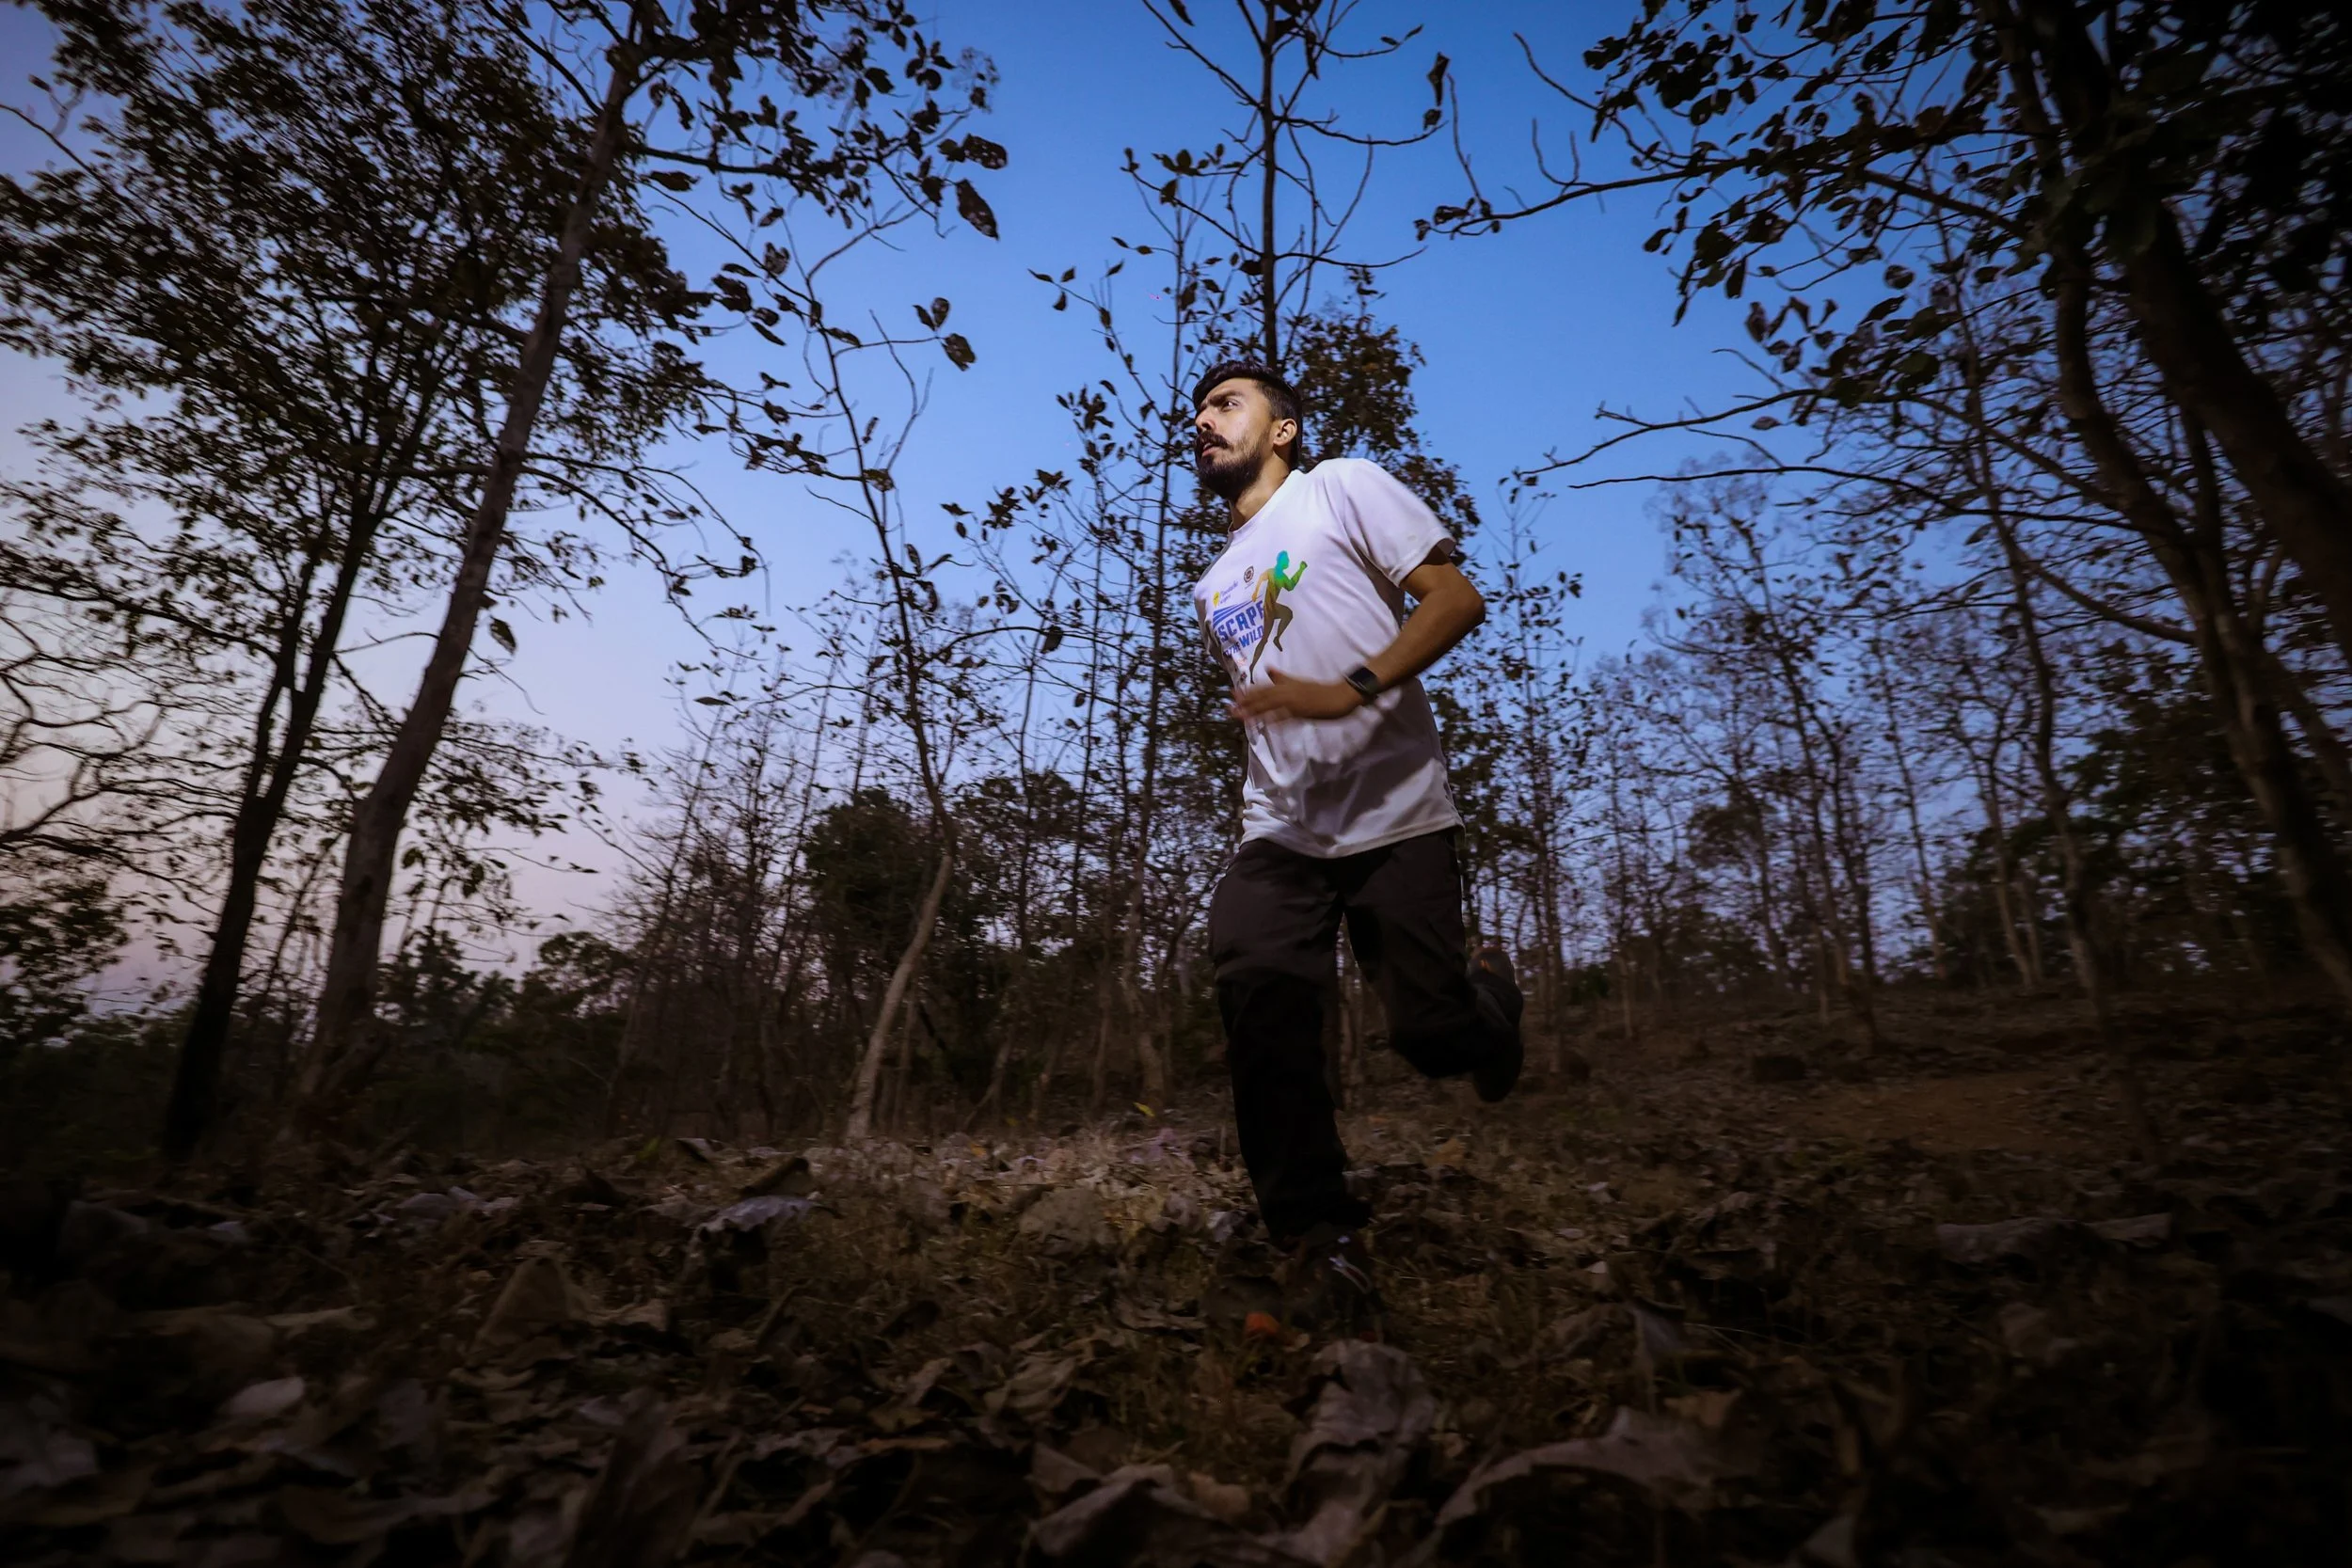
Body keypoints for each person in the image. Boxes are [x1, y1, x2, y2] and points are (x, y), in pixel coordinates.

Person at [1190, 358, 1523, 1331]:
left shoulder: (1342, 486)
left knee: (1429, 1036)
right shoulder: (1214, 584)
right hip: (1283, 828)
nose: (1202, 422)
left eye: (1225, 404)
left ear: (1282, 428)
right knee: (1256, 976)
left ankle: (1490, 1002)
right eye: (1197, 412)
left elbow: (1454, 600)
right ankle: (1317, 1238)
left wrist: (1355, 687)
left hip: (1398, 814)